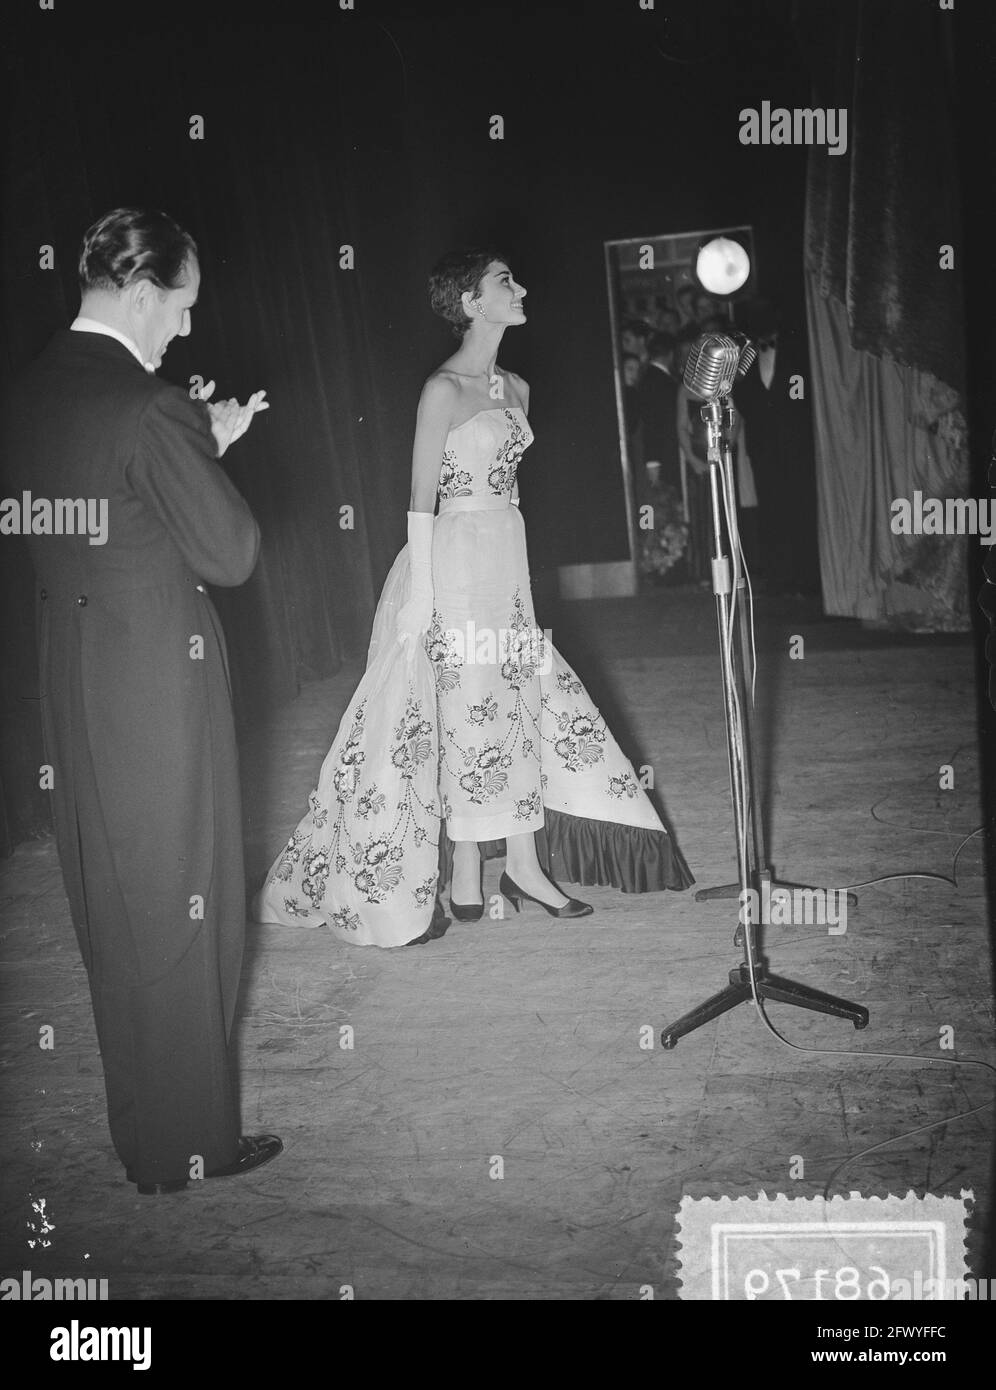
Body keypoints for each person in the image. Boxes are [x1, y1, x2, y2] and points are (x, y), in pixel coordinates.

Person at [255, 249, 693, 947]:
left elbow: (508, 488)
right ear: (470, 302)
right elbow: (419, 501)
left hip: (506, 557)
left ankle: (520, 865)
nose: (520, 289)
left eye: (516, 278)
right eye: (504, 282)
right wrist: (422, 594)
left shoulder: (516, 385)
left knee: (515, 699)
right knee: (467, 706)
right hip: (453, 559)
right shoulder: (443, 390)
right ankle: (464, 867)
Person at [0, 208, 281, 1195]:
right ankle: (190, 1143)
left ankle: (144, 1134)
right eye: (186, 307)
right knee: (185, 897)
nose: (188, 331)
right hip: (159, 673)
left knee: (112, 903)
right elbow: (232, 553)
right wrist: (202, 446)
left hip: (72, 674)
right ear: (144, 292)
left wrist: (187, 442)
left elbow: (86, 512)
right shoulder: (146, 404)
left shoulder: (29, 390)